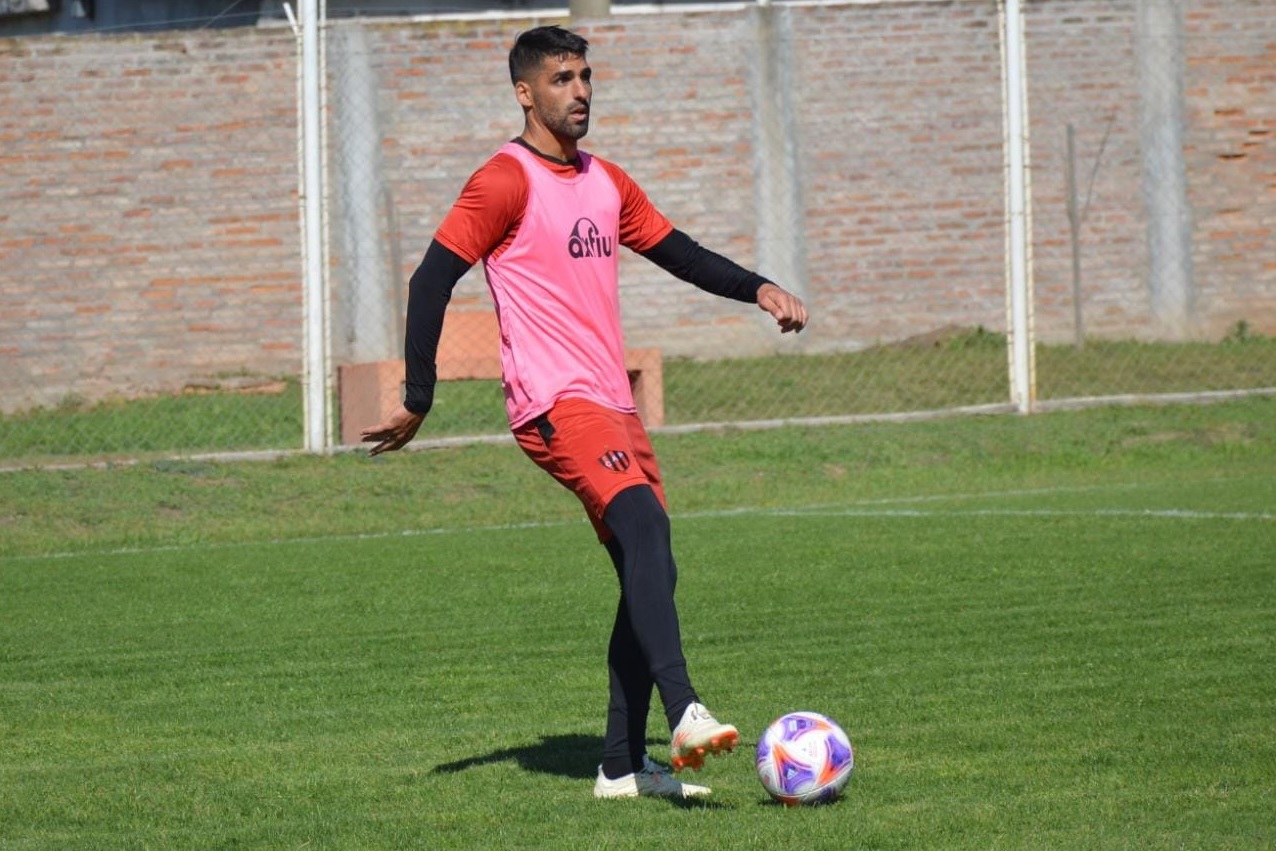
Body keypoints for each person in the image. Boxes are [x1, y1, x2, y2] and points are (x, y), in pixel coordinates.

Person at [362, 25, 809, 800]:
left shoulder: (606, 181)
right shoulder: (504, 181)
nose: (580, 92)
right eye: (562, 78)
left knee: (650, 565)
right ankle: (685, 709)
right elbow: (429, 279)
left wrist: (758, 287)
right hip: (554, 401)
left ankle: (619, 766)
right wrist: (419, 397)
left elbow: (680, 252)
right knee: (645, 529)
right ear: (525, 92)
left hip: (612, 402)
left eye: (586, 76)